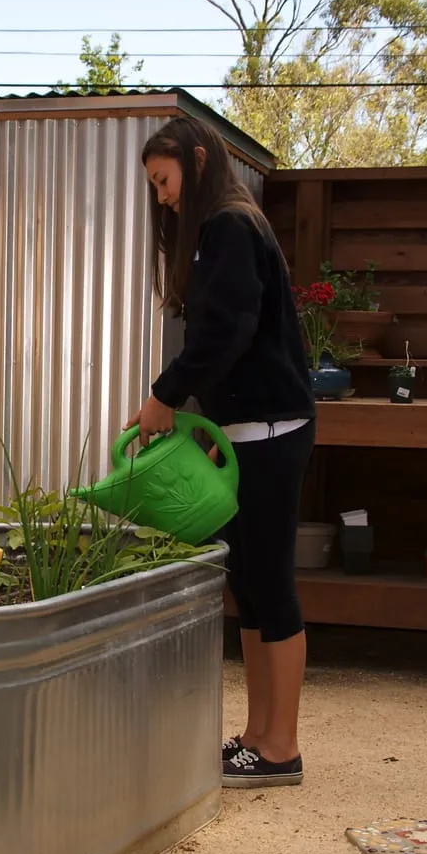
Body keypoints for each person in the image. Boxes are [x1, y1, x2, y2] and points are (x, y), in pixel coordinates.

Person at [124, 117, 316, 788]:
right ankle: (256, 736)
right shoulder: (216, 233)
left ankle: (281, 747)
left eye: (164, 180)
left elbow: (225, 332)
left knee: (272, 587)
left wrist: (164, 396)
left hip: (271, 430)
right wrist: (173, 405)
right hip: (243, 433)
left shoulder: (231, 227)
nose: (162, 195)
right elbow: (215, 336)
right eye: (153, 185)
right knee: (251, 590)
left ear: (197, 161)